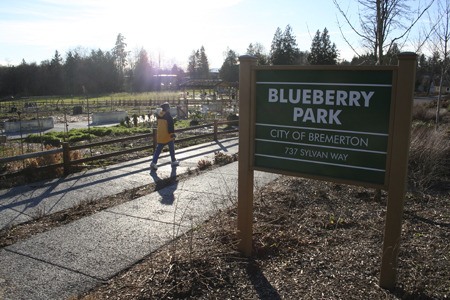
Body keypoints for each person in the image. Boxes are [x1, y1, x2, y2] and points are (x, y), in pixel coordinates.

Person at [150, 102, 179, 170]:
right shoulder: (168, 116)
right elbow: (170, 127)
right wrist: (172, 135)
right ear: (167, 108)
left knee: (158, 151)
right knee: (171, 149)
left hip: (160, 135)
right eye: (168, 107)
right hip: (168, 136)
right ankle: (173, 161)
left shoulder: (159, 115)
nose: (169, 109)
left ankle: (153, 163)